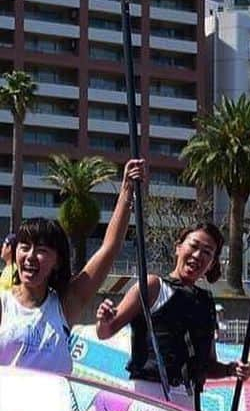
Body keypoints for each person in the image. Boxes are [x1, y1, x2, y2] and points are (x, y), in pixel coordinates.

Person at [0, 159, 144, 374]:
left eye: (41, 250)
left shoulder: (65, 304)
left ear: (57, 260)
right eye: (25, 247)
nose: (30, 256)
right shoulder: (3, 304)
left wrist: (126, 190)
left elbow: (110, 248)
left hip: (52, 407)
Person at [95, 219, 250, 407]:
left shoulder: (206, 302)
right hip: (149, 394)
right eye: (193, 246)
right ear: (178, 248)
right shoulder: (153, 286)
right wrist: (103, 319)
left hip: (188, 399)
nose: (198, 255)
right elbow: (105, 332)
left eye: (207, 252)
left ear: (211, 263)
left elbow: (207, 364)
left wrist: (231, 370)